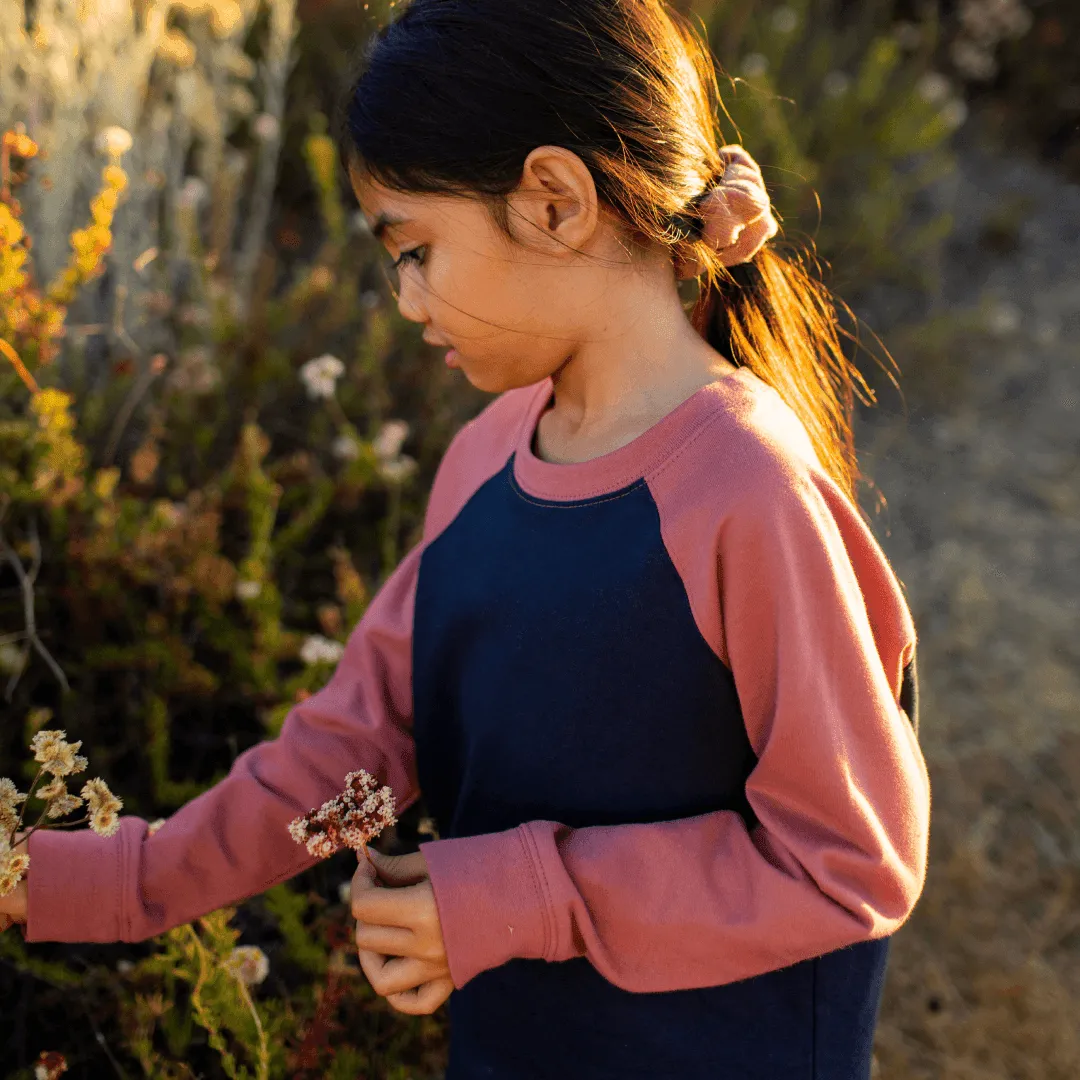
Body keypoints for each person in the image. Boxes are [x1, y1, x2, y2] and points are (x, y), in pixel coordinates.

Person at [2, 0, 931, 1076]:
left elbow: (850, 864)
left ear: (554, 201)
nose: (403, 301)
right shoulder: (489, 458)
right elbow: (357, 752)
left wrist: (510, 896)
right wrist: (109, 882)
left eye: (416, 249)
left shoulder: (746, 493)